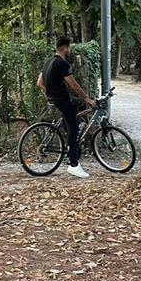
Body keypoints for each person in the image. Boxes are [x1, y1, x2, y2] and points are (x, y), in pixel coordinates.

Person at [37, 36, 95, 178]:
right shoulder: (61, 63)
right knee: (73, 128)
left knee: (75, 109)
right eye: (69, 48)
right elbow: (73, 85)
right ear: (65, 48)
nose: (69, 51)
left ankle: (71, 138)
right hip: (62, 99)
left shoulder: (48, 62)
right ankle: (73, 164)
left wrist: (50, 92)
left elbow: (39, 83)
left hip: (54, 99)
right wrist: (87, 98)